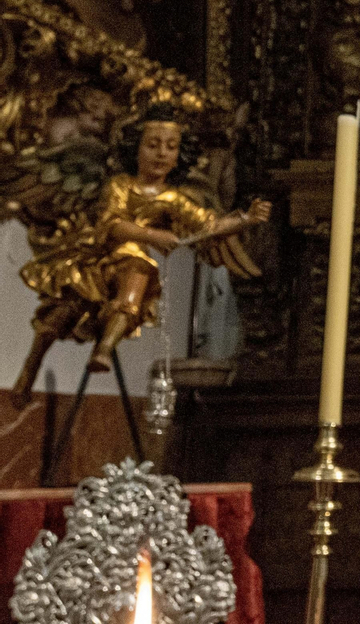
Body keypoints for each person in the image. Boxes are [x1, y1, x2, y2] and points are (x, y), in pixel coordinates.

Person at [11, 105, 270, 405]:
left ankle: (104, 350)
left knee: (137, 274)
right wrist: (153, 235)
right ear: (135, 149)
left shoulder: (173, 199)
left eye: (170, 147)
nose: (161, 153)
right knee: (58, 318)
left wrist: (245, 219)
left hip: (130, 263)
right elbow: (111, 225)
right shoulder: (120, 185)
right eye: (153, 144)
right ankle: (29, 370)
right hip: (94, 257)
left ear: (179, 155)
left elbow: (208, 225)